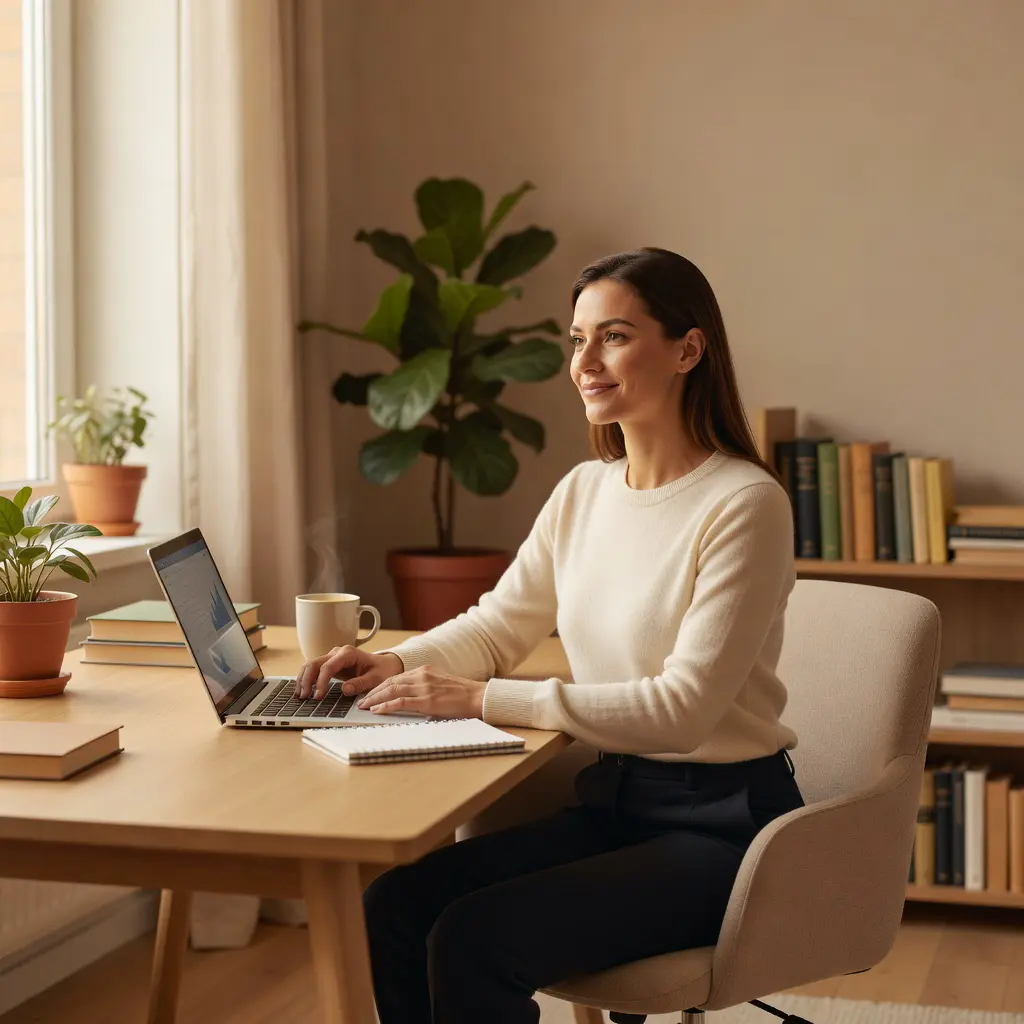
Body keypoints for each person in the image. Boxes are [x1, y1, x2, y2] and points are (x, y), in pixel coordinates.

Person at [295, 247, 805, 1024]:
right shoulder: (584, 492)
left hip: (725, 831)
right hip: (616, 806)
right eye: (577, 339)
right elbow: (500, 624)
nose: (585, 362)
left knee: (474, 937)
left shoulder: (744, 504)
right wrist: (393, 660)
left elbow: (684, 710)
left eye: (616, 336)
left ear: (688, 350)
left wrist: (480, 698)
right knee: (398, 902)